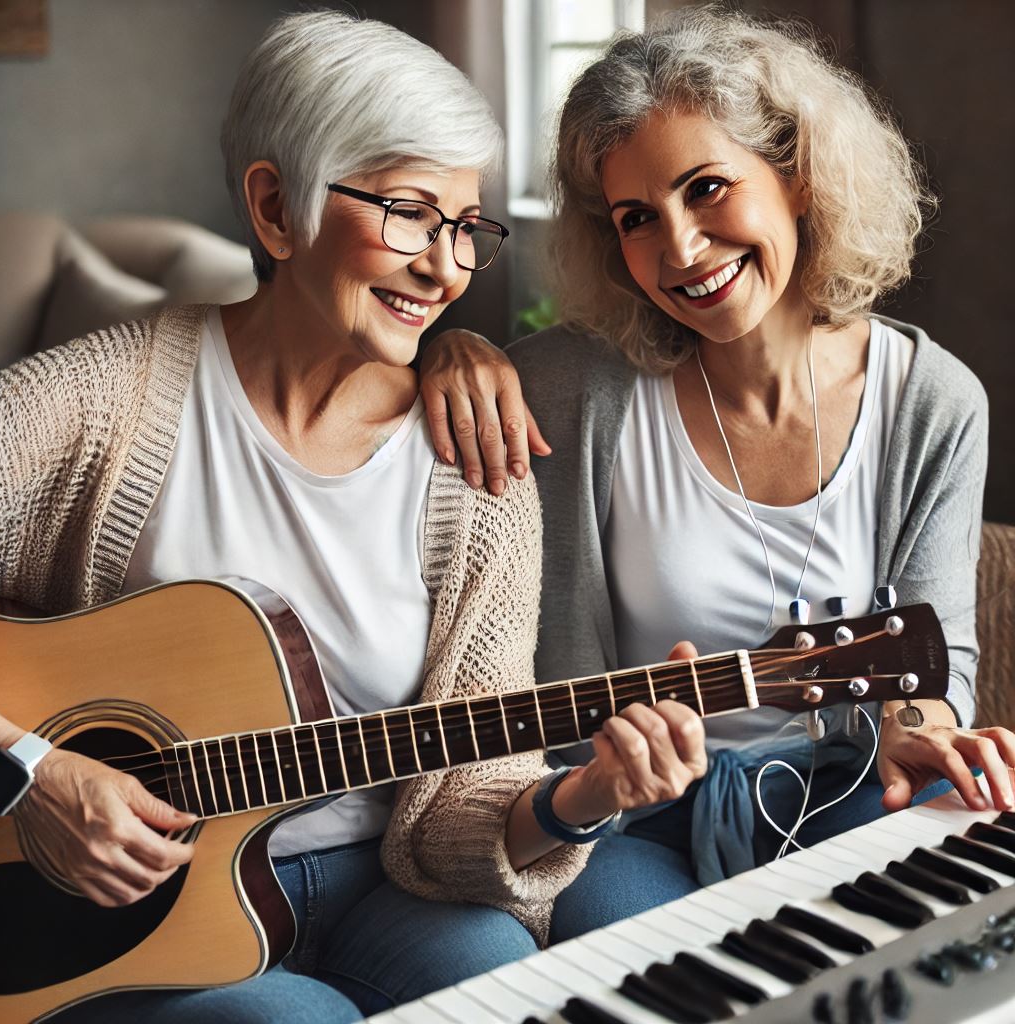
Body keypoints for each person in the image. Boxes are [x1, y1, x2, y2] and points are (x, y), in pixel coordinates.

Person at [0, 12, 708, 1023]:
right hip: (121, 919)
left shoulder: (476, 467)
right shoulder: (104, 399)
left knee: (506, 977)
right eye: (410, 212)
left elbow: (466, 802)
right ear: (276, 207)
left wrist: (583, 796)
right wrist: (29, 773)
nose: (445, 267)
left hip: (382, 890)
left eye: (466, 227)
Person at [419, 4, 1015, 933]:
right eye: (636, 219)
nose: (683, 250)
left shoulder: (932, 401)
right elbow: (373, 383)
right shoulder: (572, 391)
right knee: (627, 957)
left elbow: (937, 668)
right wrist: (447, 350)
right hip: (633, 817)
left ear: (798, 178)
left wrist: (926, 731)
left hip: (846, 787)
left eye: (706, 189)